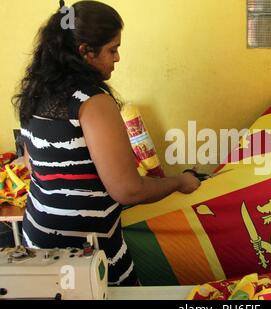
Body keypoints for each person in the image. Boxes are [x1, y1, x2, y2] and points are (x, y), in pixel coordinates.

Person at [12, 1, 200, 286]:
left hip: (38, 237)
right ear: (85, 52)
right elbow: (128, 190)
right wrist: (180, 182)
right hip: (88, 253)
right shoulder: (92, 102)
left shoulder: (37, 91)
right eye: (112, 49)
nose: (118, 58)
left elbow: (34, 164)